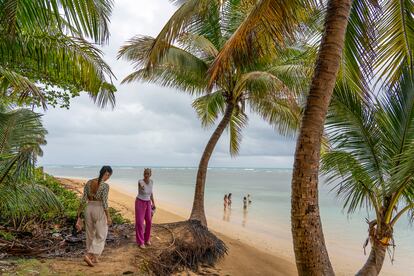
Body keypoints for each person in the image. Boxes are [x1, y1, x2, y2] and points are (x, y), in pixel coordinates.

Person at [76, 166, 113, 267]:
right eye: (108, 175)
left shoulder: (89, 182)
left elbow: (83, 199)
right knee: (102, 234)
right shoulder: (105, 186)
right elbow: (105, 202)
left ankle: (94, 257)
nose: (108, 177)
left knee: (90, 233)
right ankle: (89, 255)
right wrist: (108, 216)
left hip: (88, 208)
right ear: (107, 173)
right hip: (99, 208)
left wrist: (78, 215)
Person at [135, 168, 156, 249]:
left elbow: (151, 193)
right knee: (140, 222)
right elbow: (142, 187)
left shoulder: (151, 182)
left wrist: (153, 203)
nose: (146, 175)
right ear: (143, 174)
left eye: (147, 173)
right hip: (140, 202)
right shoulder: (140, 181)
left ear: (150, 174)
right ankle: (141, 242)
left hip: (148, 203)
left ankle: (147, 239)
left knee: (149, 221)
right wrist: (142, 187)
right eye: (145, 173)